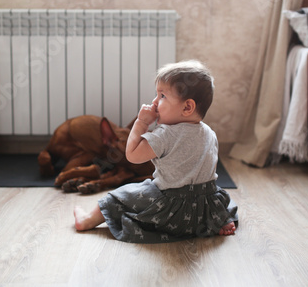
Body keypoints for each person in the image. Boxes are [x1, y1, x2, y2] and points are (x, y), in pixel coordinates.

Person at [74, 60, 238, 243]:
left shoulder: (165, 135)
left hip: (171, 211)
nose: (154, 102)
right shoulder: (210, 133)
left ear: (187, 107)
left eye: (162, 96)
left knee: (120, 195)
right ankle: (220, 220)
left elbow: (132, 156)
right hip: (203, 212)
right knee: (222, 197)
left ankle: (87, 220)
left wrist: (141, 123)